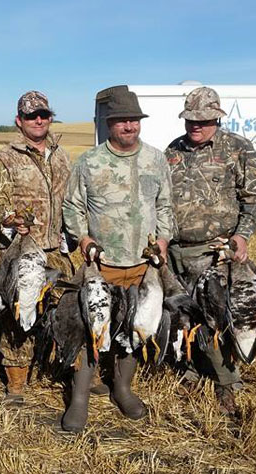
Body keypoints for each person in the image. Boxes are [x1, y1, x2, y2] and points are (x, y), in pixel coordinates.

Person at [62, 88, 173, 432]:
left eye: (134, 120)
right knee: (90, 328)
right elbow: (72, 206)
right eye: (122, 120)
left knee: (133, 328)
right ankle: (80, 398)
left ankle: (122, 388)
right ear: (110, 124)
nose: (129, 126)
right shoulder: (89, 162)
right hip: (102, 264)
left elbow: (166, 205)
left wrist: (165, 239)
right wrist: (83, 237)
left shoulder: (156, 160)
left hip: (143, 266)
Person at [164, 86, 256, 416]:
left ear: (217, 117)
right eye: (191, 119)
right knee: (183, 318)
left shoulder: (238, 148)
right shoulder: (172, 151)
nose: (197, 125)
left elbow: (254, 200)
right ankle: (191, 372)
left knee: (216, 320)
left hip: (215, 253)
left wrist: (242, 237)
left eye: (204, 119)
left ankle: (226, 384)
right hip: (176, 252)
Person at [0, 91, 74, 405]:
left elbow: (72, 199)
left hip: (55, 249)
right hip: (21, 248)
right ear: (19, 121)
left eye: (44, 114)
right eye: (31, 115)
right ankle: (16, 381)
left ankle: (65, 367)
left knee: (64, 308)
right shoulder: (5, 157)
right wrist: (13, 219)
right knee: (18, 313)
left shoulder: (61, 155)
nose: (39, 120)